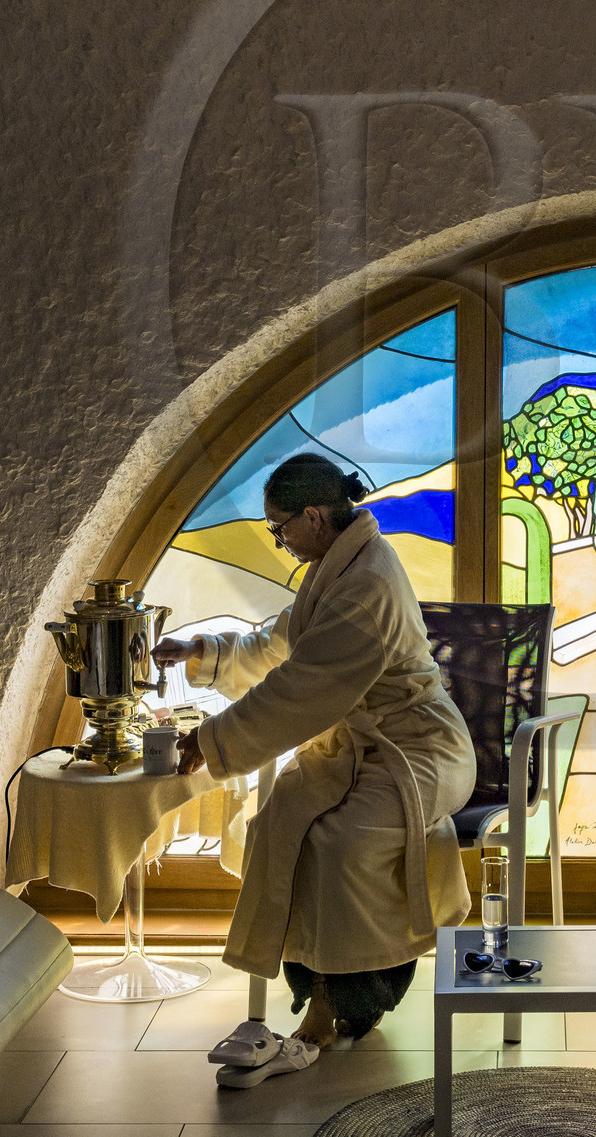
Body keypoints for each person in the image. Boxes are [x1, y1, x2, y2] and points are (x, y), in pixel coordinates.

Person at [153, 453, 476, 1087]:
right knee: (278, 826)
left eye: (280, 528)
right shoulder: (337, 564)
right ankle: (340, 995)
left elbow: (304, 685)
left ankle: (342, 1006)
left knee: (341, 844)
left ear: (313, 515)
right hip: (359, 749)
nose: (278, 541)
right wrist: (202, 651)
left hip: (417, 751)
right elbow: (284, 644)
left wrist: (214, 739)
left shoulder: (368, 581)